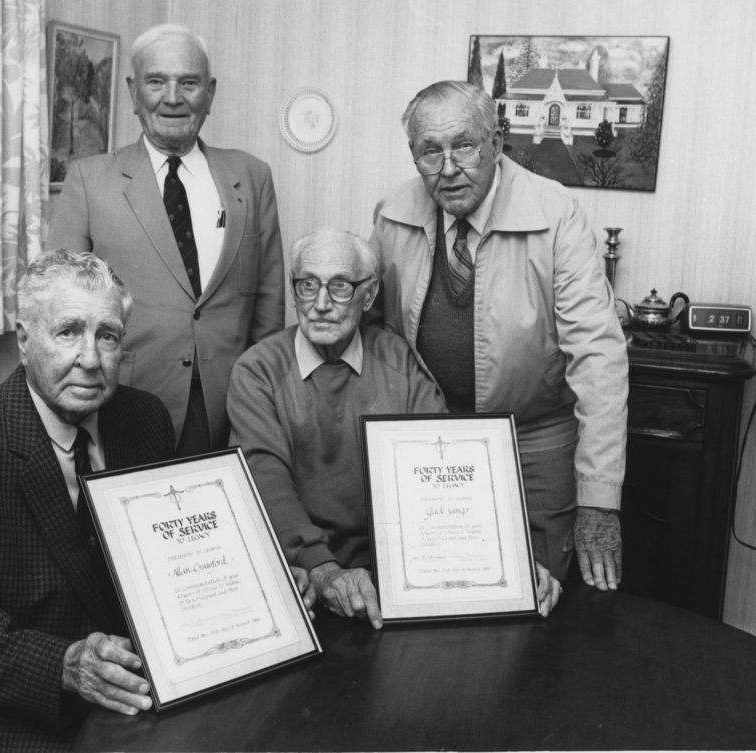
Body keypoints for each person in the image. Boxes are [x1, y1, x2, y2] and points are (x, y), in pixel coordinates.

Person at [0, 250, 175, 752]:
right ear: (24, 340)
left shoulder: (145, 420)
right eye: (68, 331)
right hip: (1, 700)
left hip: (125, 680)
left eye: (106, 335)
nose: (90, 359)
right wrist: (62, 666)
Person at [228, 229, 563, 626]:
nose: (320, 304)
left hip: (400, 577)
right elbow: (265, 482)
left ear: (368, 296)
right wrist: (324, 571)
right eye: (307, 285)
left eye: (339, 287)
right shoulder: (258, 370)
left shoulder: (397, 359)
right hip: (304, 575)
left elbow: (447, 475)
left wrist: (512, 564)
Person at [370, 81, 628, 596]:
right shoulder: (393, 211)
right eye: (430, 151)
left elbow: (598, 355)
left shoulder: (556, 213)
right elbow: (373, 335)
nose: (447, 168)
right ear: (413, 154)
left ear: (497, 141)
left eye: (464, 145)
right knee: (442, 591)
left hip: (534, 437)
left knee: (538, 596)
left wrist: (599, 498)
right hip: (431, 439)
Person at [47, 24, 284, 457]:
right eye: (156, 81)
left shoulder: (252, 177)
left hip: (231, 404)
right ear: (133, 91)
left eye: (189, 82)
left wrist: (262, 396)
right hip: (125, 403)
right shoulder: (88, 180)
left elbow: (269, 310)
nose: (172, 97)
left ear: (209, 93)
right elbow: (59, 306)